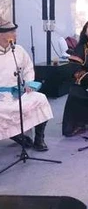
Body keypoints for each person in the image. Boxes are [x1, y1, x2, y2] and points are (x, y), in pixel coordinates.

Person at [0, 17, 52, 151]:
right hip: (1, 97)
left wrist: (28, 83)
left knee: (40, 99)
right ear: (1, 34)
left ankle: (39, 139)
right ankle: (17, 136)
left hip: (18, 92)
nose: (15, 35)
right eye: (12, 32)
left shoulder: (18, 50)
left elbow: (28, 67)